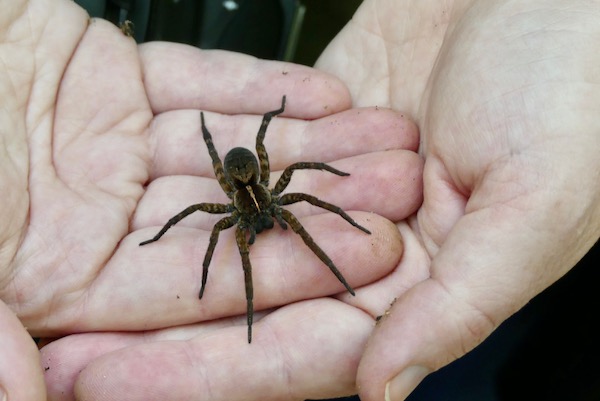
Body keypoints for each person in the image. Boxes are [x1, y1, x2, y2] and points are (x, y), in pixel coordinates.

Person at [1, 1, 598, 401]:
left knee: (312, 196)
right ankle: (257, 313)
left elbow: (289, 157)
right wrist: (176, 247)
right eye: (255, 209)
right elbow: (201, 218)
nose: (262, 221)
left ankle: (340, 269)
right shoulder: (233, 208)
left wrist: (334, 180)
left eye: (260, 207)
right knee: (210, 233)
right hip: (234, 172)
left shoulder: (276, 190)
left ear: (261, 186)